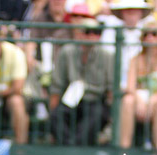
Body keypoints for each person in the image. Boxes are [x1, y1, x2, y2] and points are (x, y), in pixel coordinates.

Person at [49, 18, 114, 146]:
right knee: (56, 116)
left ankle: (73, 148)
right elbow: (57, 86)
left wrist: (111, 118)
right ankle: (69, 147)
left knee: (95, 116)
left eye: (96, 32)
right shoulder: (67, 52)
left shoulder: (107, 56)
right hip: (70, 100)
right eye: (87, 32)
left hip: (95, 100)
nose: (92, 36)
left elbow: (111, 90)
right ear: (79, 34)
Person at [119, 20, 157, 151]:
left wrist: (155, 98)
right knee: (127, 100)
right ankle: (123, 149)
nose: (150, 38)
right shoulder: (136, 59)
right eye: (146, 34)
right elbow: (130, 86)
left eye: (154, 34)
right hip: (140, 100)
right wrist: (139, 100)